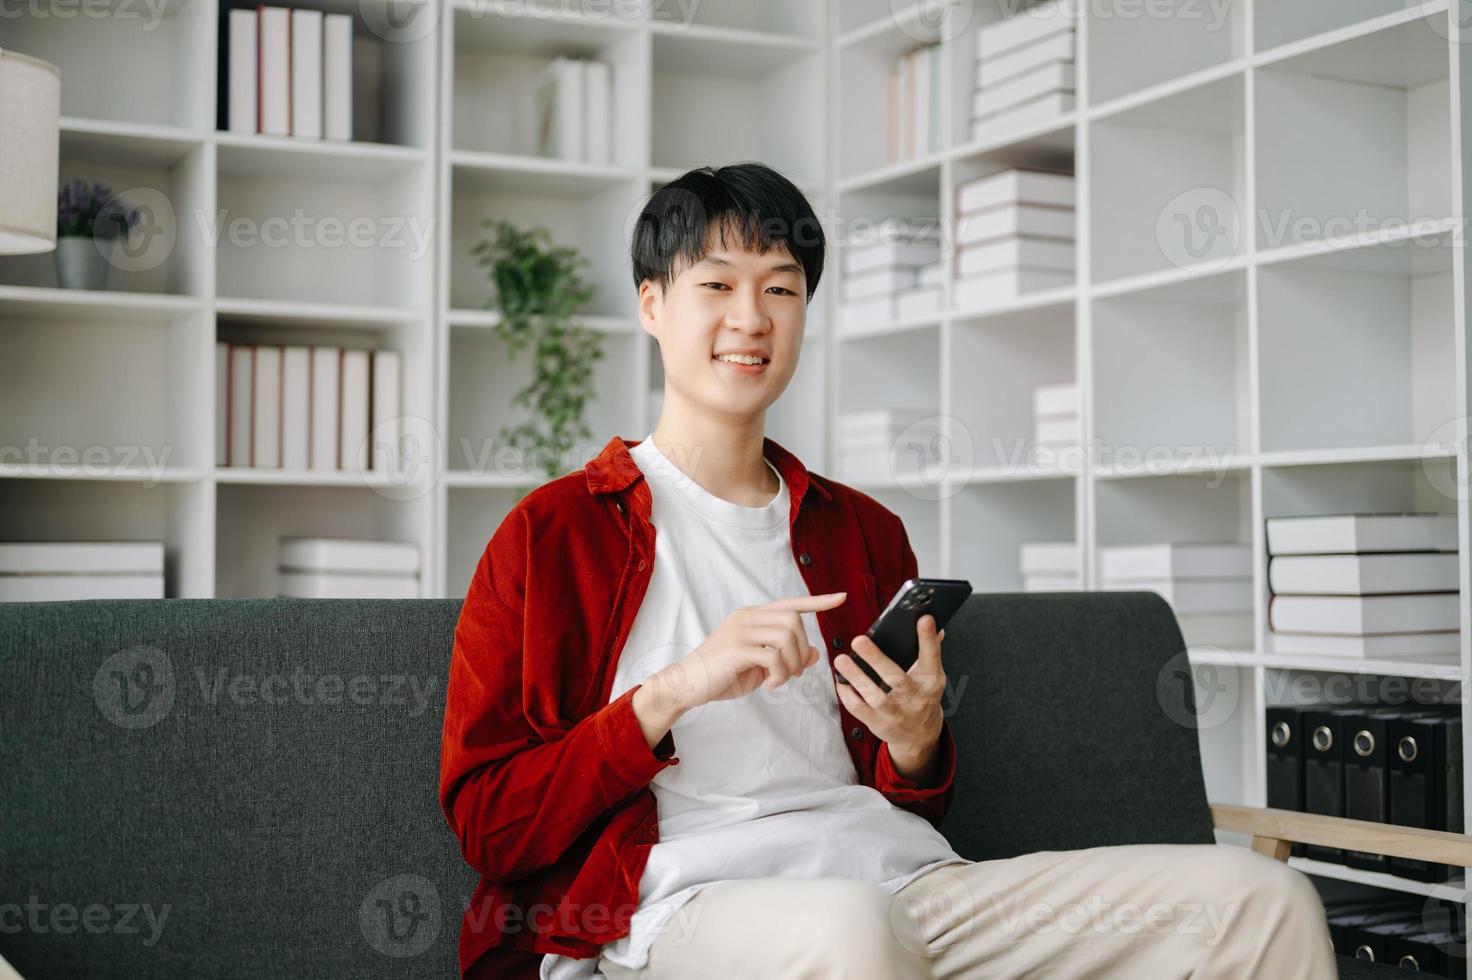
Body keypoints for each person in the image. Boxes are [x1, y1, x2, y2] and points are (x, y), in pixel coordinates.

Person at [438, 162, 1338, 979]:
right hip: (679, 908)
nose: (751, 317)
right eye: (716, 285)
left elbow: (906, 789)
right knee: (852, 933)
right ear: (651, 305)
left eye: (780, 290)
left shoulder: (862, 531)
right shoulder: (552, 533)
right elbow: (488, 820)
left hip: (898, 884)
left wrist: (916, 740)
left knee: (1261, 904)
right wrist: (670, 693)